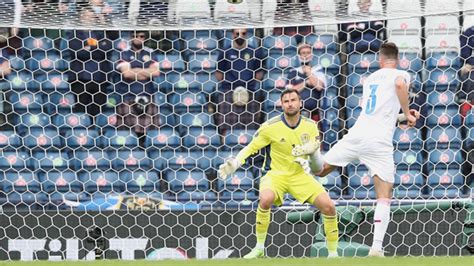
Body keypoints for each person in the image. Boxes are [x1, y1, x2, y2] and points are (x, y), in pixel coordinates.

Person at [314, 42, 420, 257]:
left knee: (321, 169)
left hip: (357, 133)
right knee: (384, 194)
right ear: (397, 59)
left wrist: (399, 118)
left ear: (380, 60)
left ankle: (308, 153)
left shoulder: (370, 79)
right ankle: (376, 248)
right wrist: (408, 113)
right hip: (378, 141)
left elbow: (376, 112)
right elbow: (400, 85)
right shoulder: (401, 74)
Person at [218, 88, 339, 259]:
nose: (290, 104)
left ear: (300, 103)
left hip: (300, 175)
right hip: (275, 174)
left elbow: (316, 160)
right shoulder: (269, 127)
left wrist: (310, 159)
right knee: (265, 199)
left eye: (293, 100)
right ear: (281, 104)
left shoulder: (311, 126)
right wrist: (237, 162)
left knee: (329, 206)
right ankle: (259, 248)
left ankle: (333, 254)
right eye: (286, 101)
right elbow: (251, 147)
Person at [214, 28, 265, 134]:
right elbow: (218, 74)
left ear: (247, 35)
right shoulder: (225, 52)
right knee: (226, 127)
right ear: (232, 34)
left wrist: (248, 83)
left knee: (250, 127)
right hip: (228, 91)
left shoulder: (254, 52)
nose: (240, 36)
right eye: (237, 33)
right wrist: (231, 83)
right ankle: (225, 147)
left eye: (243, 33)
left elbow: (259, 73)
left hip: (249, 92)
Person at [286, 43, 327, 116]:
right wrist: (306, 83)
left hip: (315, 112)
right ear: (299, 55)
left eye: (308, 53)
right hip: (297, 112)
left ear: (312, 55)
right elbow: (289, 92)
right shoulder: (293, 72)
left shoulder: (318, 70)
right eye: (303, 53)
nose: (305, 55)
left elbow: (319, 87)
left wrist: (309, 73)